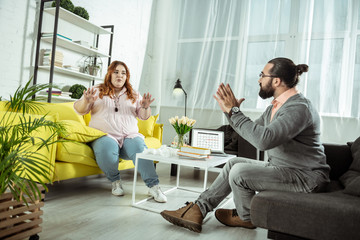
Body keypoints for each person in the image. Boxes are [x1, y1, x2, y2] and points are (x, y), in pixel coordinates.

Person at [160, 57, 330, 232]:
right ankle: (197, 209)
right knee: (234, 163)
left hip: (306, 178)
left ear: (277, 81)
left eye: (262, 75)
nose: (259, 79)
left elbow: (264, 140)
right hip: (285, 169)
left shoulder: (299, 108)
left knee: (239, 172)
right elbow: (251, 133)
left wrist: (235, 112)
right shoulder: (276, 107)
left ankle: (247, 217)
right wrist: (230, 112)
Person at [74, 60, 167, 203]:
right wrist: (86, 101)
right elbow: (80, 110)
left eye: (123, 73)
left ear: (127, 77)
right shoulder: (96, 90)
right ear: (109, 74)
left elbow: (143, 116)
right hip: (105, 136)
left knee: (140, 150)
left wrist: (146, 107)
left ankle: (154, 186)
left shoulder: (134, 94)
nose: (120, 75)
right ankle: (115, 181)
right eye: (116, 72)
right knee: (107, 148)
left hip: (129, 136)